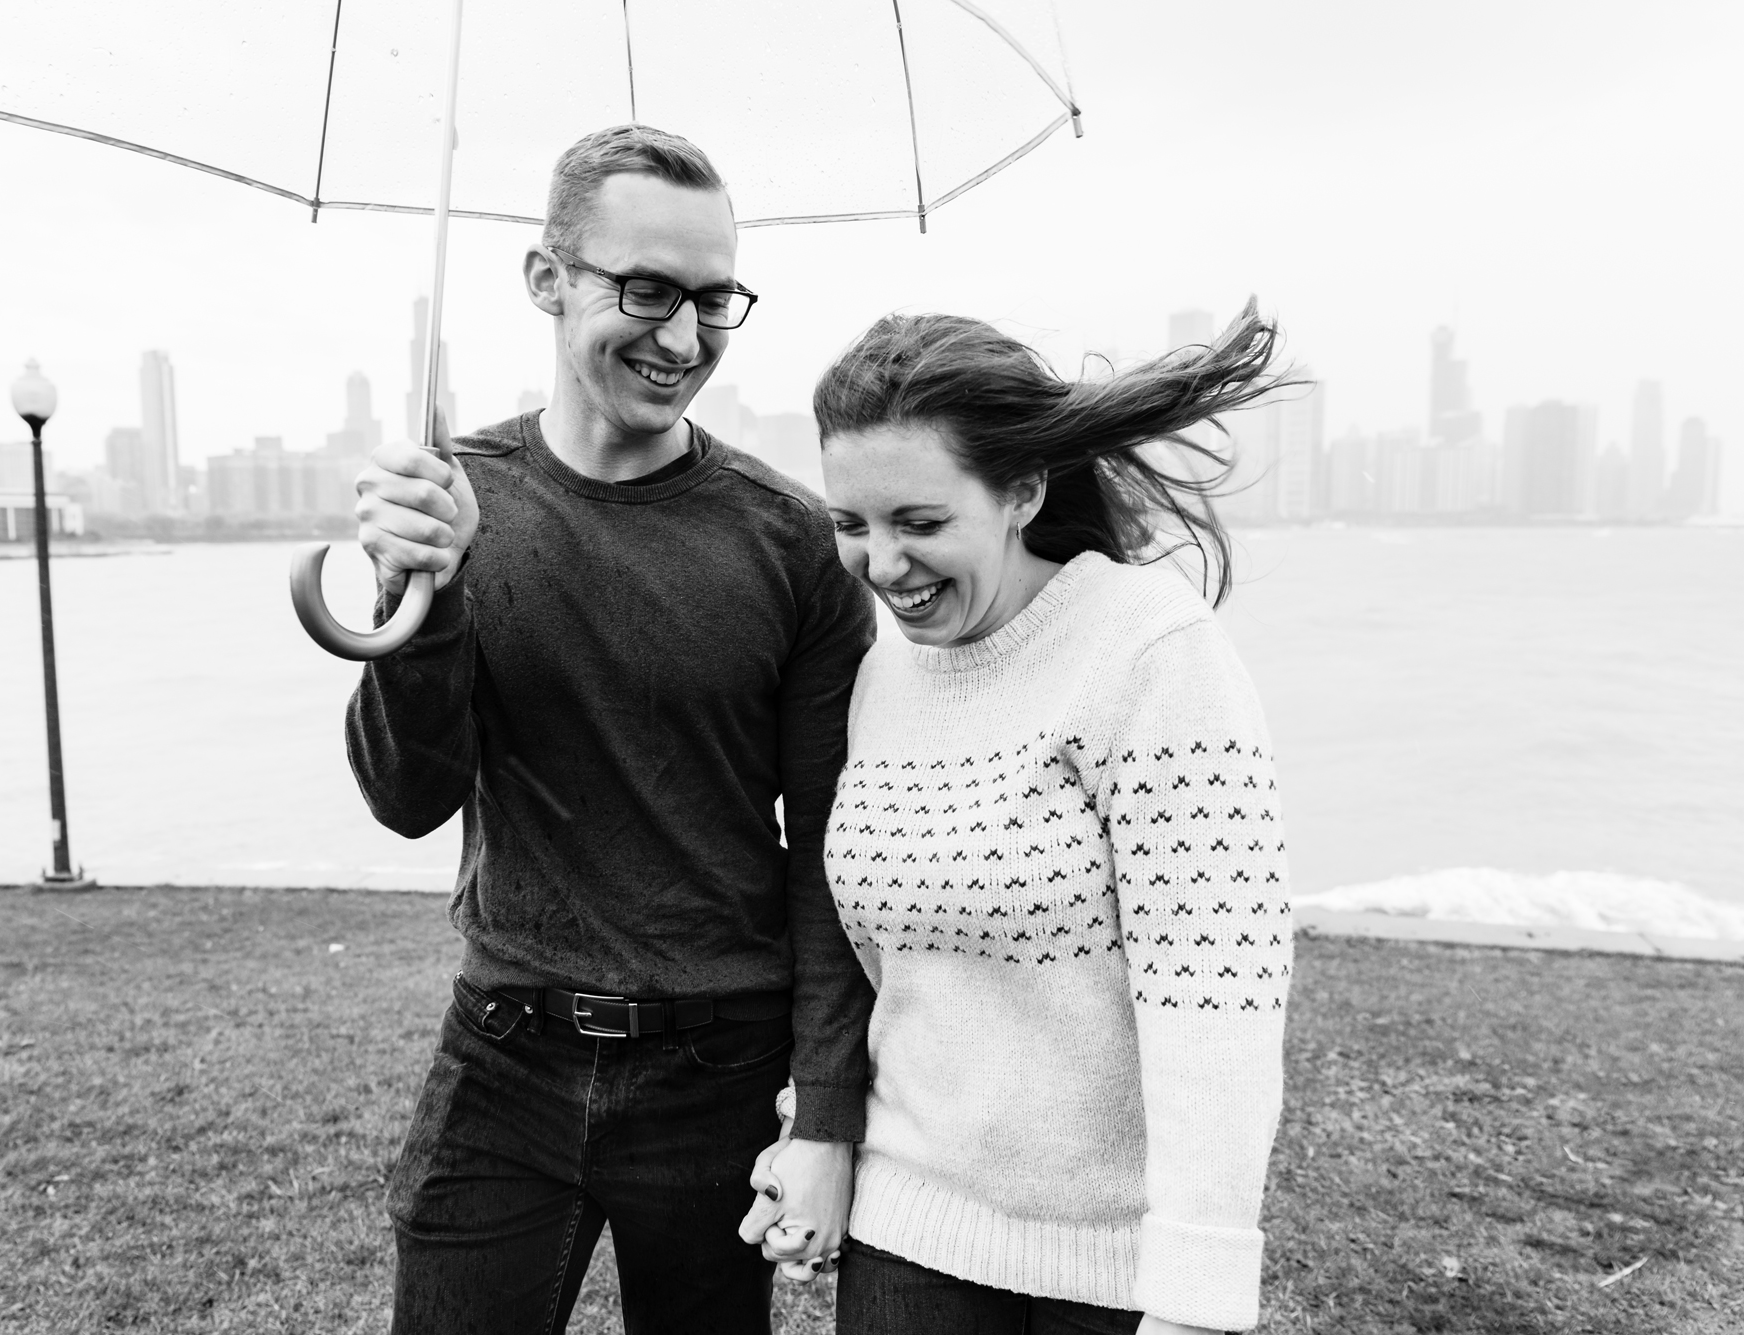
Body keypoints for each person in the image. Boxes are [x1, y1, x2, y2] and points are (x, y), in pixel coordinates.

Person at [346, 124, 876, 1335]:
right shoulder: (452, 499)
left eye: (713, 301)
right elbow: (406, 795)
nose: (681, 339)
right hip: (504, 1044)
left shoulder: (789, 541)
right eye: (644, 291)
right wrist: (422, 596)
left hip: (718, 1065)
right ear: (547, 279)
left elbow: (832, 847)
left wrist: (829, 1107)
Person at [755, 306, 1296, 1334]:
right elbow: (892, 973)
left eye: (918, 523)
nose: (880, 564)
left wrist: (1194, 1290)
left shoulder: (1148, 656)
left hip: (1109, 1266)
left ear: (1021, 492)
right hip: (905, 1234)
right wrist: (810, 1132)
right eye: (851, 525)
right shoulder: (877, 678)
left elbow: (1214, 994)